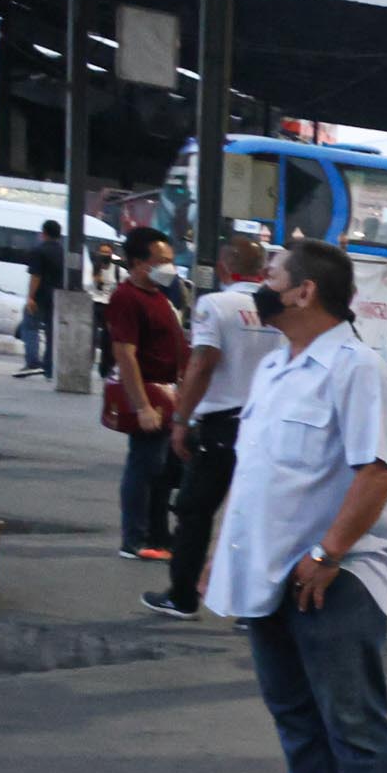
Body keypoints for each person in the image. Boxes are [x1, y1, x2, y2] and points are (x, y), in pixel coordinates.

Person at [211, 239, 387, 773]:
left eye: (269, 277)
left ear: (304, 293)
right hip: (268, 570)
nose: (258, 286)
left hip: (334, 571)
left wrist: (328, 553)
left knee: (351, 713)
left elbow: (378, 469)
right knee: (294, 709)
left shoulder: (356, 370)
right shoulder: (276, 368)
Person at [146, 236, 285, 620]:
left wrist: (181, 419)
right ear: (261, 269)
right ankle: (255, 607)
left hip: (221, 427)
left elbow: (202, 364)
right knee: (258, 515)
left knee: (195, 511)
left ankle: (183, 595)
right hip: (268, 425)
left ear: (224, 267)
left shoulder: (215, 306)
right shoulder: (278, 309)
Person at [102, 227, 189, 563]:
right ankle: (134, 539)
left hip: (167, 393)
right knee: (144, 467)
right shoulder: (126, 298)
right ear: (138, 263)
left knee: (163, 470)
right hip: (149, 393)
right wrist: (142, 406)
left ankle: (157, 535)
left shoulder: (161, 294)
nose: (169, 266)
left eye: (170, 259)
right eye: (161, 260)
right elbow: (125, 354)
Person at [15, 218, 58, 378]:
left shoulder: (38, 251)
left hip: (39, 297)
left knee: (30, 327)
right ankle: (49, 367)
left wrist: (30, 297)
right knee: (51, 333)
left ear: (44, 233)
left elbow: (36, 276)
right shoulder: (62, 251)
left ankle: (32, 362)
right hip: (56, 298)